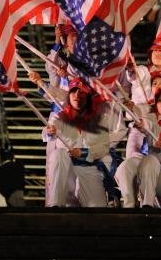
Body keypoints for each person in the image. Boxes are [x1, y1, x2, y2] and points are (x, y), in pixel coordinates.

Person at [43, 78, 112, 207]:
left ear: (88, 97)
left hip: (88, 167)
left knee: (98, 208)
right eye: (74, 91)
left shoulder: (100, 119)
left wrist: (84, 153)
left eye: (82, 92)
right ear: (69, 95)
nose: (77, 95)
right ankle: (55, 206)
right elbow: (49, 130)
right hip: (66, 169)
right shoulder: (60, 116)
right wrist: (49, 131)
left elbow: (104, 147)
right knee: (59, 154)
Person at [115, 69, 161, 208]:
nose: (159, 86)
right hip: (142, 157)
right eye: (155, 83)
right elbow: (138, 113)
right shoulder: (145, 107)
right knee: (124, 169)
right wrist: (132, 108)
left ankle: (147, 206)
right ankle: (130, 205)